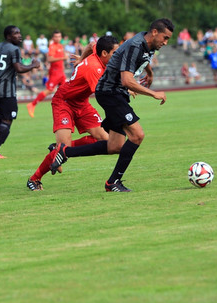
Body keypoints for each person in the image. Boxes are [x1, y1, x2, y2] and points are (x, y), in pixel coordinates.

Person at [49, 19, 174, 192]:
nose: (166, 42)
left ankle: (65, 152)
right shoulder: (135, 45)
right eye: (165, 37)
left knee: (114, 146)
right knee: (137, 135)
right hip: (110, 92)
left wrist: (149, 73)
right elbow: (126, 80)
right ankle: (113, 182)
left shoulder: (149, 45)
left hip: (116, 92)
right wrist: (154, 94)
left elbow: (143, 60)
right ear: (154, 32)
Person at [27, 35, 120, 191]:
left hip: (81, 103)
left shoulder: (98, 52)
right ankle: (34, 179)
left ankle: (59, 149)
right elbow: (103, 94)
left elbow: (91, 45)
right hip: (63, 102)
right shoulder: (93, 68)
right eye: (114, 53)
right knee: (64, 149)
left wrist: (80, 60)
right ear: (105, 53)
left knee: (106, 141)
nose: (117, 56)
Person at [0, 26, 40, 159]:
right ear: (8, 36)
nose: (19, 35)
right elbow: (19, 68)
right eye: (16, 33)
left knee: (5, 116)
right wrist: (33, 65)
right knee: (8, 118)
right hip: (6, 90)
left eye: (19, 32)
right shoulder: (14, 49)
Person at [26, 30, 69, 117]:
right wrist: (63, 57)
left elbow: (61, 60)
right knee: (50, 90)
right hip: (55, 72)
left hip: (61, 73)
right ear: (53, 38)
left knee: (66, 91)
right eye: (56, 36)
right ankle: (32, 104)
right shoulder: (52, 46)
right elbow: (50, 59)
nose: (58, 38)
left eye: (59, 36)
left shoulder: (60, 46)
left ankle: (65, 110)